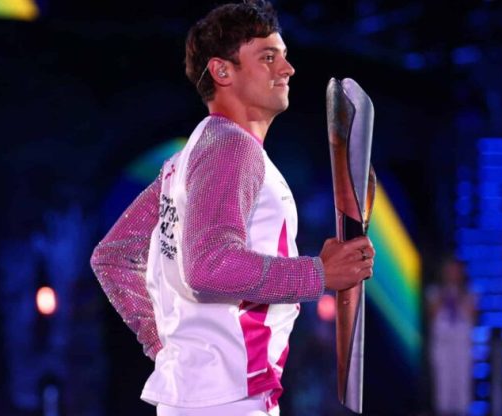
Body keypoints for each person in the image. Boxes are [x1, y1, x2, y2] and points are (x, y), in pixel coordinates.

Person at [90, 1, 375, 415]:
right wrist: (320, 274)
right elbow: (209, 266)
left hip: (205, 396)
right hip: (226, 401)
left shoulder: (185, 161)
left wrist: (170, 348)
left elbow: (113, 257)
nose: (287, 69)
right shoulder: (230, 149)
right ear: (223, 72)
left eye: (284, 56)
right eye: (268, 57)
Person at [427, 256, 477, 416]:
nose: (452, 274)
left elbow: (473, 315)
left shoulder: (470, 293)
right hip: (443, 344)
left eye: (455, 270)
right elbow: (432, 314)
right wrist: (446, 293)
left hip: (461, 344)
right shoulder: (434, 292)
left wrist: (459, 294)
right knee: (443, 383)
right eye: (449, 270)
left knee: (462, 383)